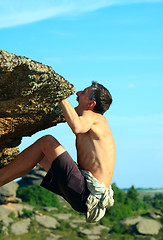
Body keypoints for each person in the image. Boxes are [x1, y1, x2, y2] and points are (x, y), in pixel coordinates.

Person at [0, 81, 116, 223]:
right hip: (83, 193)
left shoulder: (94, 117)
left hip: (85, 194)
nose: (77, 94)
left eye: (83, 92)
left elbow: (77, 127)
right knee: (42, 157)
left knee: (47, 142)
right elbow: (73, 118)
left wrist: (60, 94)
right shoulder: (95, 121)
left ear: (91, 104)